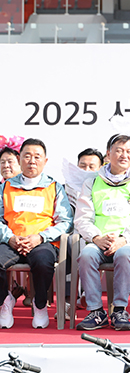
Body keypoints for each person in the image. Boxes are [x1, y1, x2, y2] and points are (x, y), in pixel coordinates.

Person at [75, 134, 130, 331]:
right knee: (86, 255)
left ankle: (119, 310)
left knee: (125, 254)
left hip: (128, 242)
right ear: (108, 154)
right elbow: (82, 218)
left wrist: (124, 238)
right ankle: (96, 312)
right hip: (98, 241)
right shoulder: (92, 183)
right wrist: (96, 237)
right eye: (119, 150)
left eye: (129, 152)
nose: (124, 155)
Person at [0, 139, 73, 329]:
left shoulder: (54, 187)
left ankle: (40, 304)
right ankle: (5, 300)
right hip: (12, 240)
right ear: (19, 159)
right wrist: (10, 238)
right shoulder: (6, 187)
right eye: (27, 156)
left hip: (42, 242)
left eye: (37, 157)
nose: (32, 161)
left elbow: (66, 222)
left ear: (45, 161)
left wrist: (40, 237)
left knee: (43, 262)